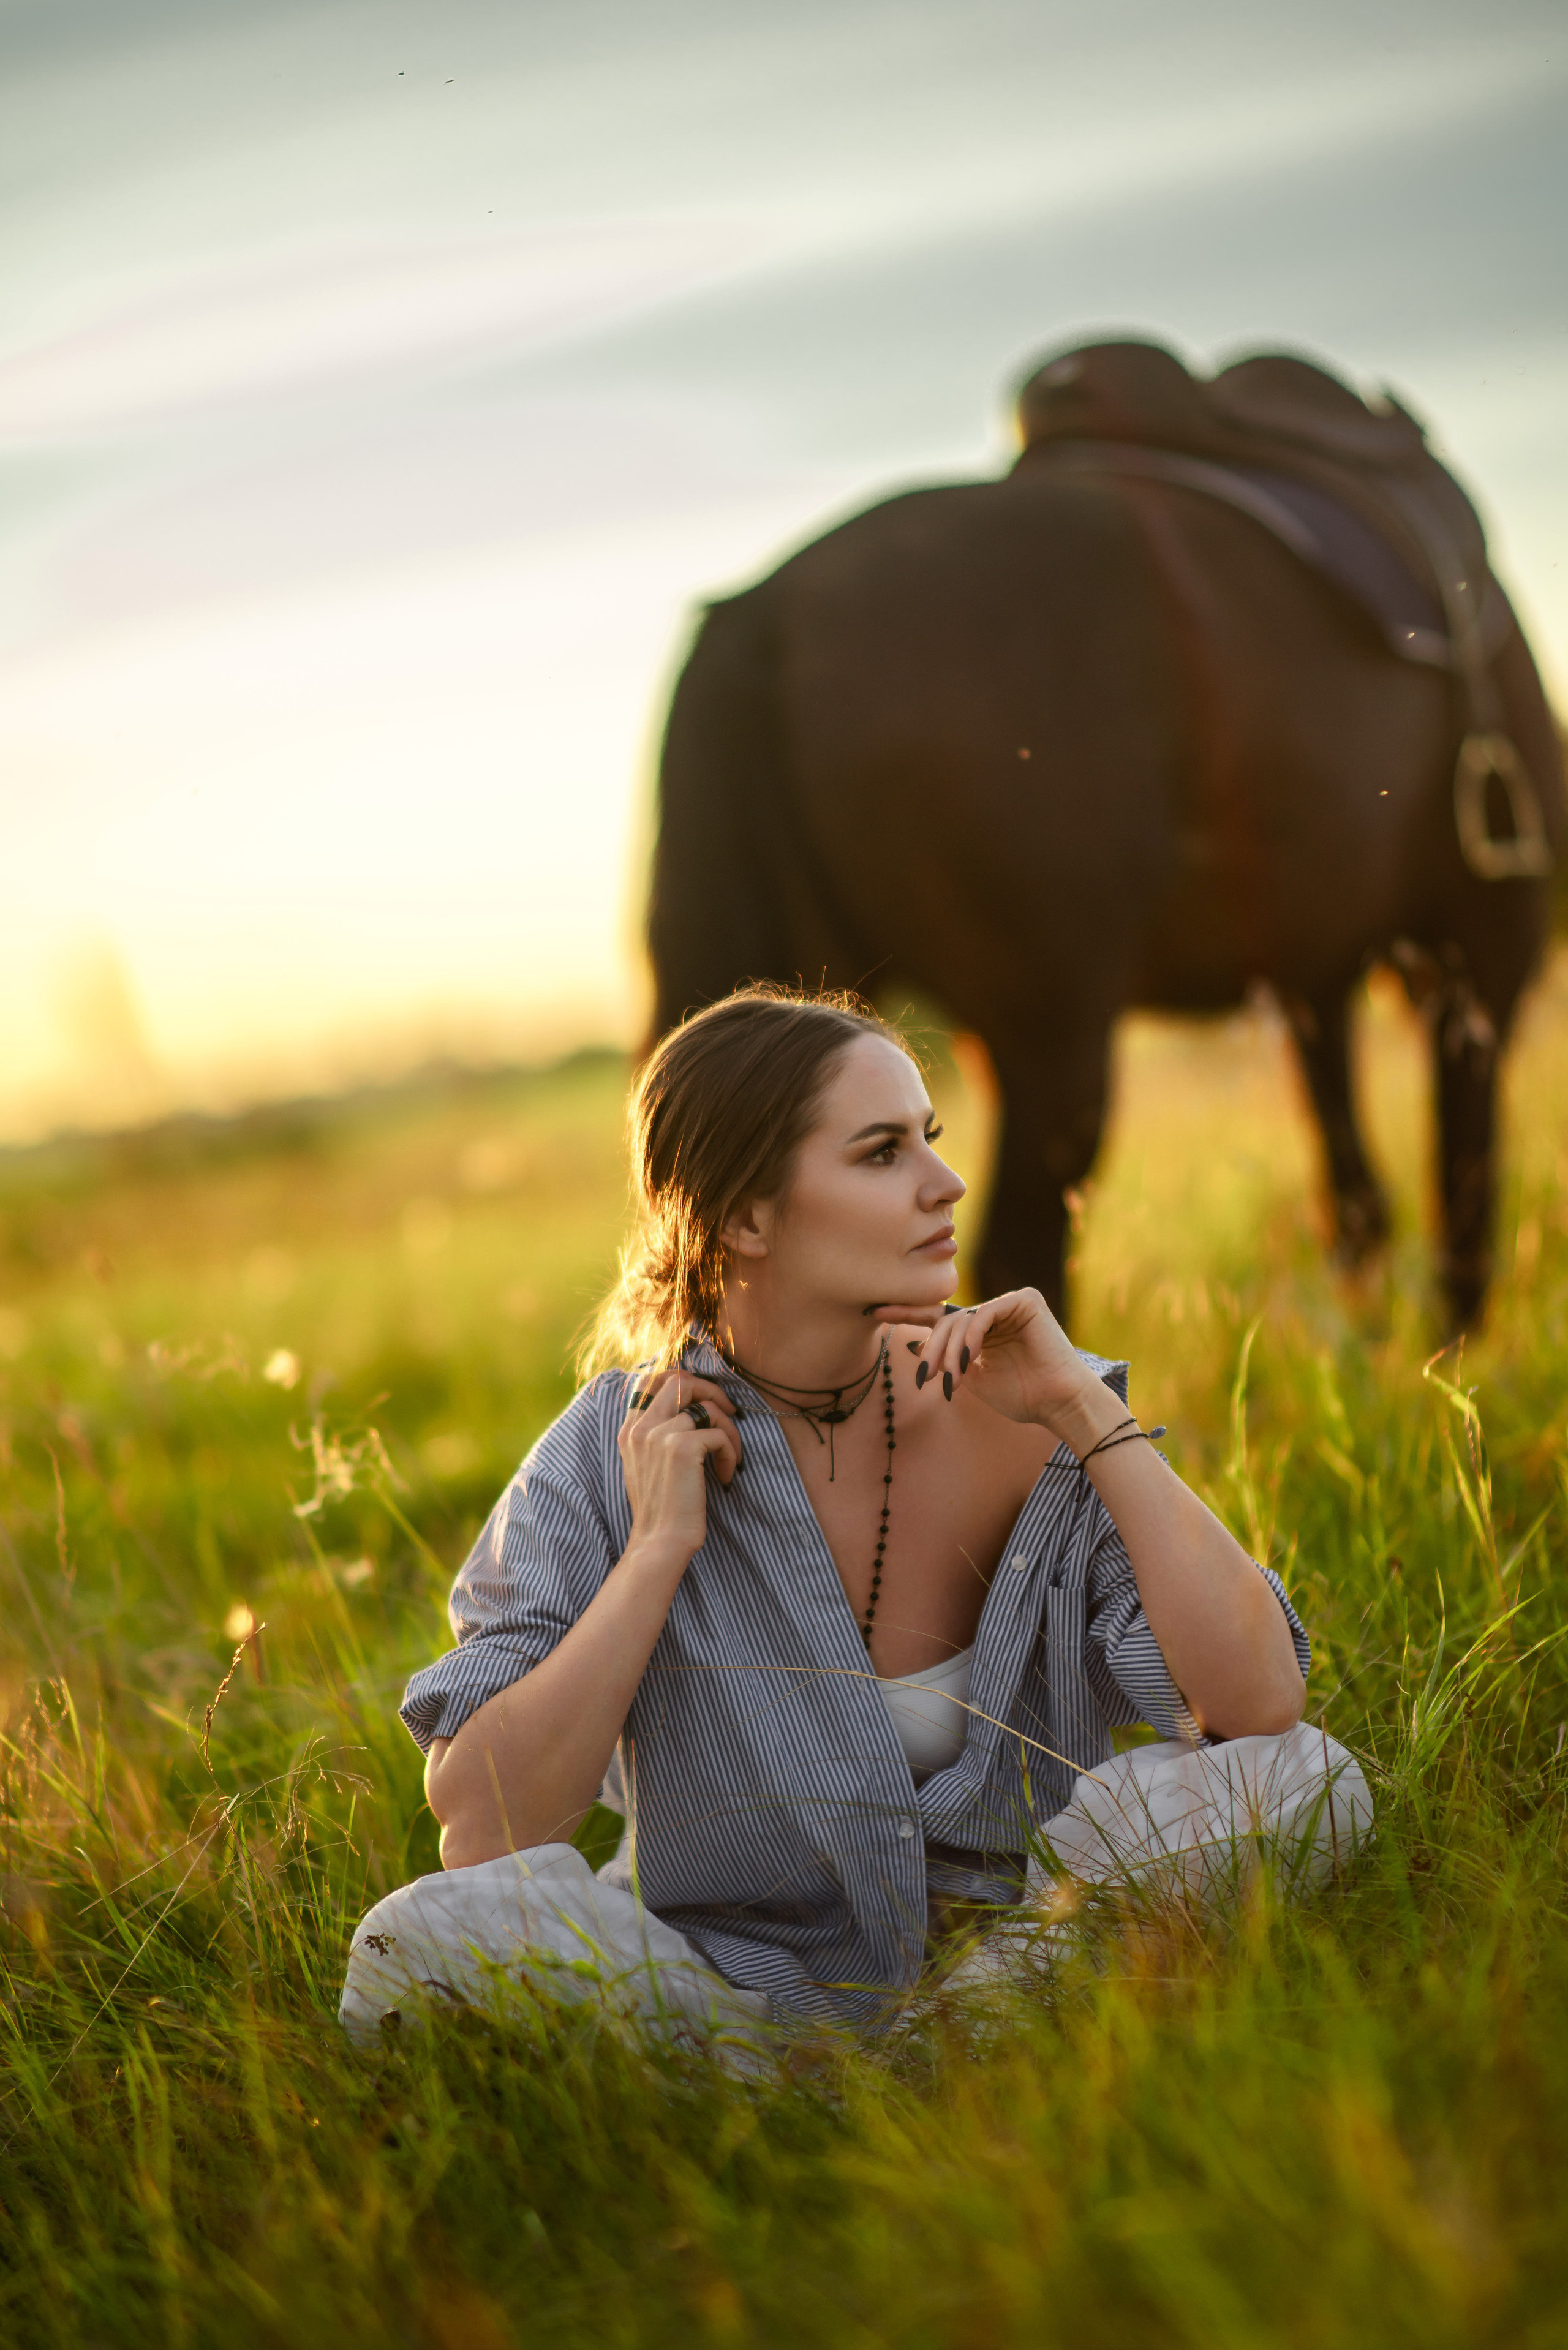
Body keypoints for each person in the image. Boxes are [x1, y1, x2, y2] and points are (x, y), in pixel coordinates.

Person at [340, 988, 1366, 2054]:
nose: (947, 1182)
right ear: (746, 1215)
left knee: (1312, 1782)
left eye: (930, 1138)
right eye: (882, 1152)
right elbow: (482, 1827)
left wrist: (1086, 1412)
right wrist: (657, 1552)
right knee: (421, 1943)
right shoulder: (613, 1450)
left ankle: (926, 2048)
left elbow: (1259, 1704)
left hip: (1032, 1943)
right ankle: (883, 2062)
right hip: (726, 1988)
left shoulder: (1021, 1404)